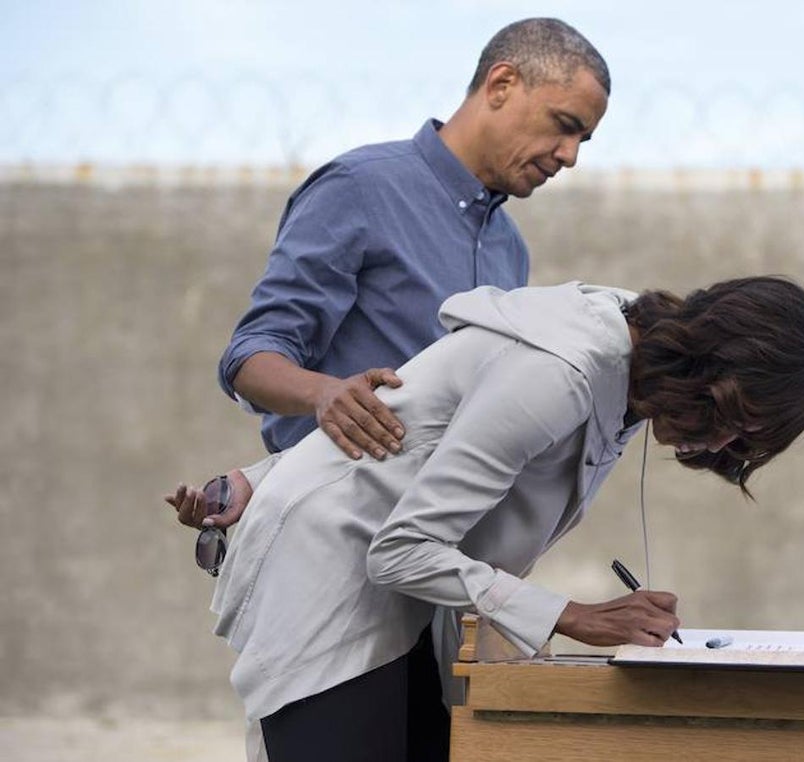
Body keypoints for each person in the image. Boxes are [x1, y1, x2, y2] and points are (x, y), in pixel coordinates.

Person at [200, 276, 804, 762]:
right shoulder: (560, 374)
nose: (720, 446)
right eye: (730, 418)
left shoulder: (638, 354)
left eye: (745, 441)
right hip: (327, 585)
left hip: (399, 601)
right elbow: (402, 548)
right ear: (710, 366)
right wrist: (572, 616)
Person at [169, 17, 612, 531]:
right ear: (501, 84)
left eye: (583, 139)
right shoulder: (359, 187)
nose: (570, 156)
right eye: (563, 124)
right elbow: (250, 358)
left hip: (433, 543)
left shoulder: (509, 249)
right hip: (324, 528)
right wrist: (325, 394)